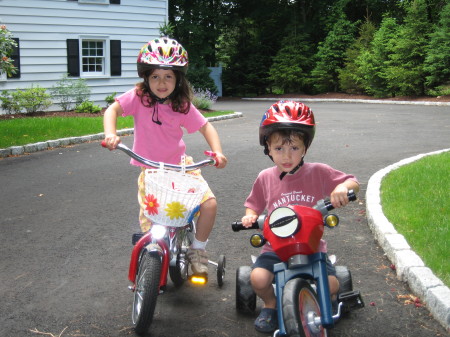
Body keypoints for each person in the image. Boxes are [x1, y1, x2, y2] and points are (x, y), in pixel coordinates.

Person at [103, 37, 227, 276]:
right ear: (146, 78)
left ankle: (197, 249)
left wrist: (217, 152)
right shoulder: (139, 97)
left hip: (181, 168)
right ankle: (151, 254)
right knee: (152, 221)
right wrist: (111, 134)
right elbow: (113, 109)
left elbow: (206, 127)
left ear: (178, 78)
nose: (162, 82)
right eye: (155, 76)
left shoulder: (182, 105)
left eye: (168, 76)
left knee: (209, 204)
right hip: (150, 171)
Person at [241, 101, 359, 333]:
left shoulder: (319, 172)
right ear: (268, 148)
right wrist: (250, 217)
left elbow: (352, 181)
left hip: (312, 247)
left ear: (305, 148)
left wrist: (343, 189)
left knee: (332, 284)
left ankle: (321, 301)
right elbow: (253, 205)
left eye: (294, 148)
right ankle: (271, 304)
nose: (286, 156)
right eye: (278, 149)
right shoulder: (265, 177)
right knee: (258, 279)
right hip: (276, 247)